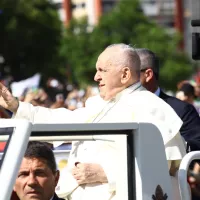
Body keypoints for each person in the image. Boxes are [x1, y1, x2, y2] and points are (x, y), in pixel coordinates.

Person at [0, 44, 186, 200]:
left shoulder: (153, 108)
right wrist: (17, 106)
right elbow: (61, 121)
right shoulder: (98, 105)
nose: (96, 77)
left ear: (125, 74)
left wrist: (106, 174)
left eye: (102, 70)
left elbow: (163, 168)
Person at [136, 48, 200, 152]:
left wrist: (174, 146)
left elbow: (197, 145)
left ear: (148, 74)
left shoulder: (181, 110)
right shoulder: (115, 108)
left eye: (129, 72)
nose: (124, 78)